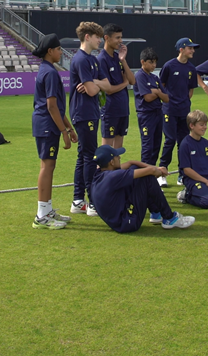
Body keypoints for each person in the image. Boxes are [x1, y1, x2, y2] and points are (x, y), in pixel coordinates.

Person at [90, 145, 195, 232]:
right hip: (127, 223)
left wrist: (156, 168)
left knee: (136, 171)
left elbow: (132, 163)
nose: (120, 158)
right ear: (111, 162)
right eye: (117, 157)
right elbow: (150, 172)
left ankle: (156, 214)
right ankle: (169, 217)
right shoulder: (113, 177)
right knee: (147, 178)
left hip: (119, 219)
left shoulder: (101, 173)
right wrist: (156, 171)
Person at [31, 33, 76, 230]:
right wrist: (64, 131)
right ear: (50, 51)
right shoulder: (49, 73)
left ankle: (47, 210)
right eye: (58, 49)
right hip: (46, 125)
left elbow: (57, 106)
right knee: (47, 167)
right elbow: (51, 106)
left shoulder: (48, 70)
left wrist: (69, 127)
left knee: (49, 166)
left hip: (47, 124)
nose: (61, 52)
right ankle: (42, 215)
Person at [69, 22, 110, 217]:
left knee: (83, 155)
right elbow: (95, 90)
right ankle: (91, 201)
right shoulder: (81, 60)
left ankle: (78, 200)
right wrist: (96, 85)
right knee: (88, 156)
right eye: (97, 36)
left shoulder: (93, 60)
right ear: (87, 37)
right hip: (83, 112)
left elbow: (107, 85)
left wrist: (93, 82)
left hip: (91, 112)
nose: (100, 40)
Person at [157, 37, 201, 187]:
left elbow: (190, 89)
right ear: (181, 49)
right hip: (169, 110)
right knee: (170, 140)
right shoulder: (169, 66)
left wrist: (184, 103)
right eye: (190, 48)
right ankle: (162, 172)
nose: (192, 51)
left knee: (183, 142)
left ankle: (183, 175)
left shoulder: (191, 69)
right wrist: (169, 101)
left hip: (184, 111)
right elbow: (161, 85)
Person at [97, 23, 136, 149]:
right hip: (110, 111)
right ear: (106, 38)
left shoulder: (118, 58)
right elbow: (108, 90)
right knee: (107, 152)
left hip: (123, 110)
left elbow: (132, 81)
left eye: (121, 37)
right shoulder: (102, 60)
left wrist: (123, 60)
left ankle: (117, 169)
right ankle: (102, 170)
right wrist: (124, 84)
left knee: (118, 152)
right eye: (117, 38)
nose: (120, 41)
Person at [133, 47, 168, 167]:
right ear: (143, 62)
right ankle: (144, 174)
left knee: (156, 145)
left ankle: (152, 173)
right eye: (151, 62)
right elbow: (147, 97)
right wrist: (158, 93)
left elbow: (166, 98)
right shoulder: (140, 76)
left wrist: (157, 92)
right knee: (148, 146)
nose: (154, 65)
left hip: (158, 113)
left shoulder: (155, 78)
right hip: (146, 115)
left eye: (155, 62)